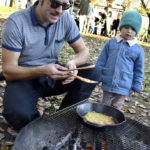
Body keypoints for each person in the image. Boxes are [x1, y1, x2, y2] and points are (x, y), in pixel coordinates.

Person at [1, 0, 100, 130]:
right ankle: (41, 128)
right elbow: (8, 71)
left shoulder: (65, 18)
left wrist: (73, 63)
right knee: (18, 114)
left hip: (53, 74)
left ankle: (64, 119)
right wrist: (43, 70)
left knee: (93, 73)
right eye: (54, 3)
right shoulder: (17, 22)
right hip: (23, 78)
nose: (59, 10)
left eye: (65, 6)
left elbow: (84, 52)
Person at [96, 10, 144, 110]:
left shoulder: (138, 50)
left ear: (136, 31)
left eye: (133, 29)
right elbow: (101, 61)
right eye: (126, 27)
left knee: (116, 107)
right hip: (108, 80)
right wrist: (98, 76)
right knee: (104, 104)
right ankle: (101, 122)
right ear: (120, 27)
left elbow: (139, 70)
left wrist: (136, 86)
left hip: (124, 84)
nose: (129, 31)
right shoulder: (111, 43)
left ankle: (112, 124)